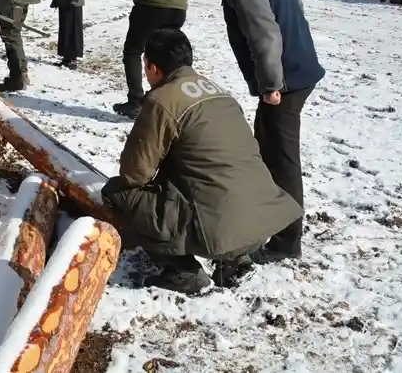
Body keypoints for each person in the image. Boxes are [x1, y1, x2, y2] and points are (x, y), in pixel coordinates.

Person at [101, 28, 302, 294]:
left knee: (117, 192)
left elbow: (134, 175)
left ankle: (182, 270)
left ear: (151, 67)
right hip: (260, 220)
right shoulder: (220, 93)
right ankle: (235, 259)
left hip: (219, 224)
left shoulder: (162, 100)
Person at [199, 0, 326, 264]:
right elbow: (294, 8)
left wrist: (271, 85)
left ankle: (287, 241)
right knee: (269, 149)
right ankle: (272, 222)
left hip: (285, 79)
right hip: (297, 68)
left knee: (280, 158)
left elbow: (263, 32)